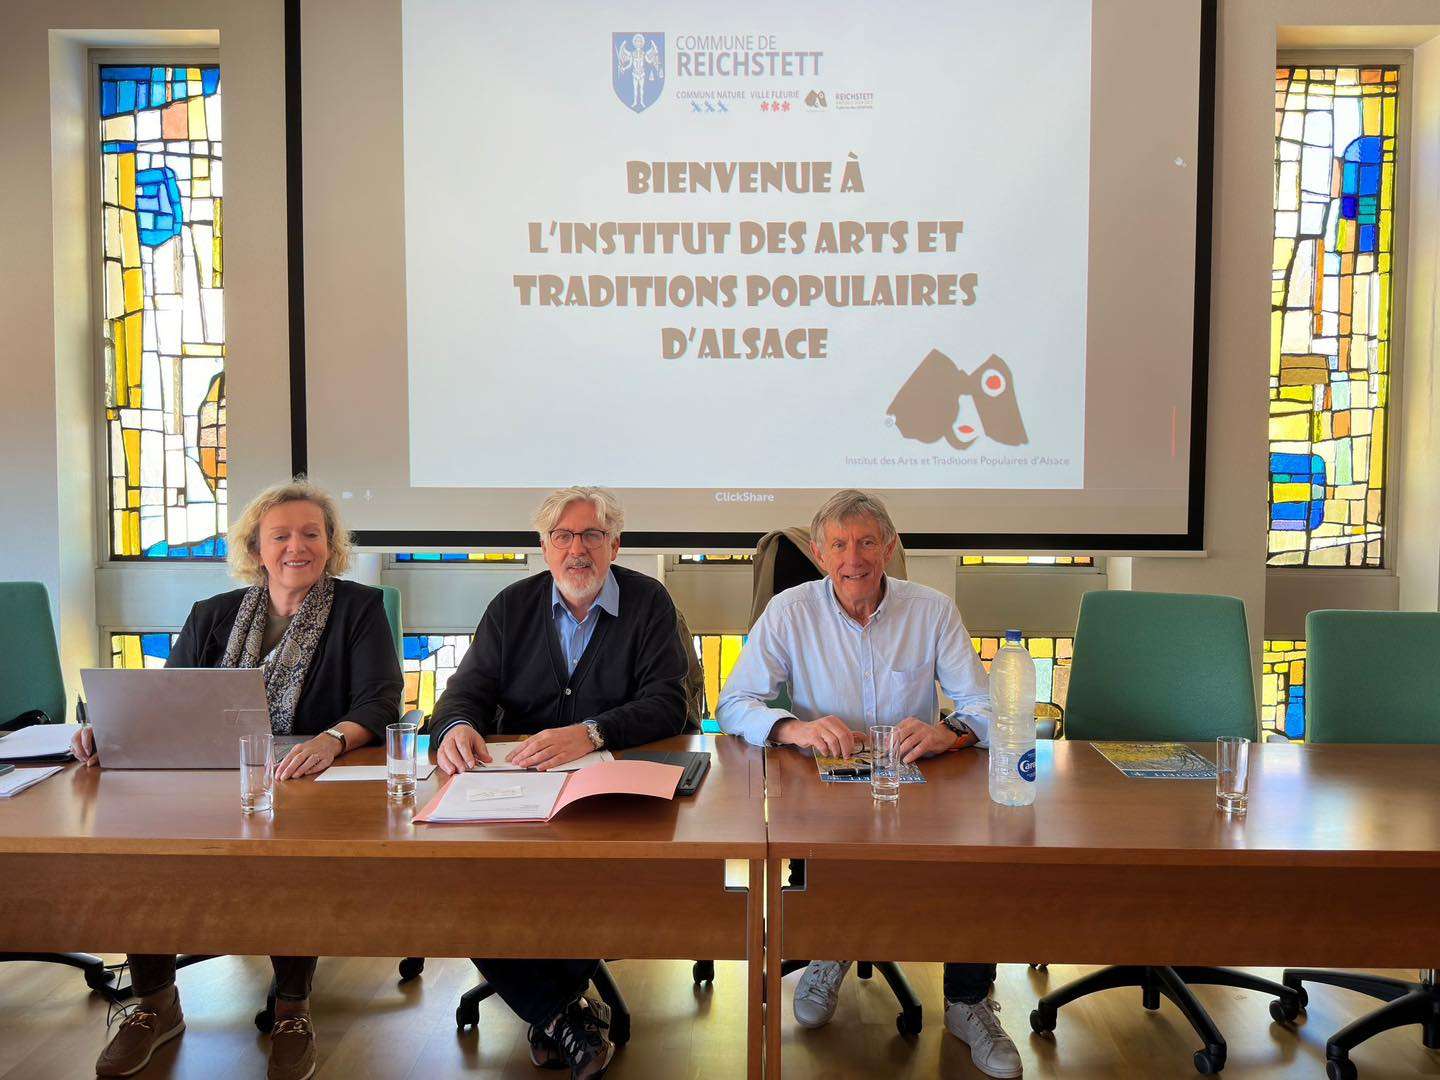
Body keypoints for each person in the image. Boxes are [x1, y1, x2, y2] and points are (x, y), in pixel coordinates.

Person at [73, 478, 403, 1080]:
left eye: (312, 534)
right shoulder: (212, 614)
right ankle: (154, 1004)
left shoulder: (360, 609)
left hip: (306, 777)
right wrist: (108, 729)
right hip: (211, 772)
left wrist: (332, 739)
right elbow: (166, 699)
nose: (297, 547)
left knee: (293, 853)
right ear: (256, 549)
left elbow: (380, 700)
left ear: (331, 545)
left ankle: (293, 1009)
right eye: (281, 536)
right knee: (141, 844)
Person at [716, 489, 1023, 1079]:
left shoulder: (931, 610)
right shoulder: (789, 611)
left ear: (889, 548)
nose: (852, 558)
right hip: (825, 791)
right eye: (838, 545)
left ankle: (968, 1002)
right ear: (819, 553)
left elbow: (984, 707)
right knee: (813, 844)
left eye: (866, 544)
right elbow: (733, 704)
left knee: (978, 854)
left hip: (919, 787)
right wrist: (795, 728)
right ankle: (829, 948)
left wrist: (948, 732)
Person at [430, 485, 689, 1080]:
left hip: (610, 789)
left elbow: (668, 703)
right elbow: (463, 693)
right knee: (459, 877)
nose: (578, 549)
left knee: (589, 875)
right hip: (517, 790)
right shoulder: (511, 607)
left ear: (615, 545)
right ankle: (563, 1014)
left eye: (593, 535)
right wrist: (457, 726)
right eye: (563, 536)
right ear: (544, 546)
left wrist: (593, 732)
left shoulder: (649, 602)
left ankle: (551, 1014)